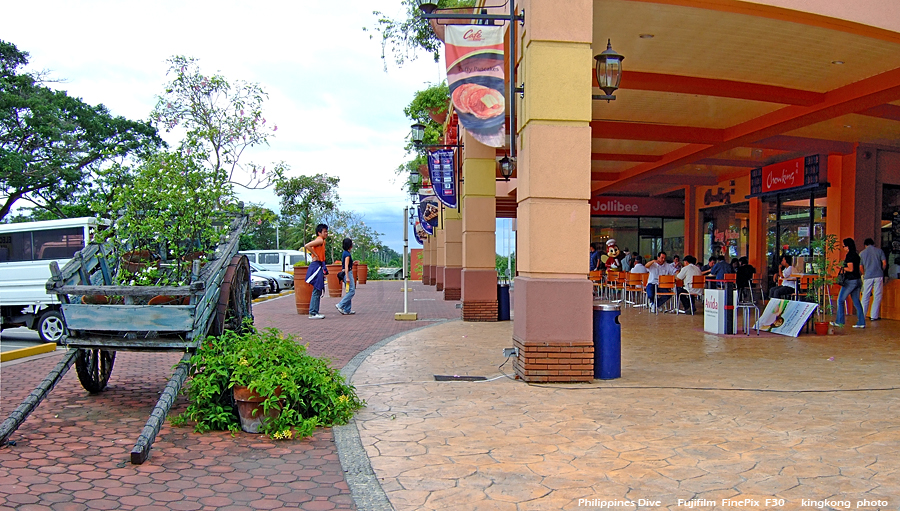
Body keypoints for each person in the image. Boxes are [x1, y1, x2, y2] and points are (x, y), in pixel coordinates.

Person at [832, 238, 865, 329]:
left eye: (844, 246)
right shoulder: (857, 255)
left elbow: (850, 269)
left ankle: (840, 321)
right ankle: (861, 322)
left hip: (850, 280)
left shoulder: (849, 255)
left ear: (847, 246)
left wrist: (840, 267)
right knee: (857, 302)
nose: (843, 248)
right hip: (857, 279)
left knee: (840, 300)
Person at [303, 224, 329, 319]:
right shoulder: (320, 240)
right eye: (324, 231)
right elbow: (307, 246)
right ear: (319, 232)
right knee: (317, 289)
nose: (326, 233)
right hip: (316, 265)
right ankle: (313, 312)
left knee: (318, 289)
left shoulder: (322, 241)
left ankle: (314, 311)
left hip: (319, 264)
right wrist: (315, 255)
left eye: (327, 231)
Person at [859, 238, 887, 321]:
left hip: (867, 276)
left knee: (865, 296)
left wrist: (864, 274)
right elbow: (884, 263)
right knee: (877, 295)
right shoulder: (879, 251)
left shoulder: (862, 253)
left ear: (865, 245)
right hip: (878, 275)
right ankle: (874, 316)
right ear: (873, 244)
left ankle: (862, 316)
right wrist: (881, 270)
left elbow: (861, 266)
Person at [335, 237, 356, 315]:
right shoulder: (347, 254)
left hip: (345, 273)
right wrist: (347, 277)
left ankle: (347, 309)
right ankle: (340, 304)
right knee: (352, 290)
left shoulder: (345, 253)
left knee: (348, 291)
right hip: (347, 273)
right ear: (350, 245)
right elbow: (346, 266)